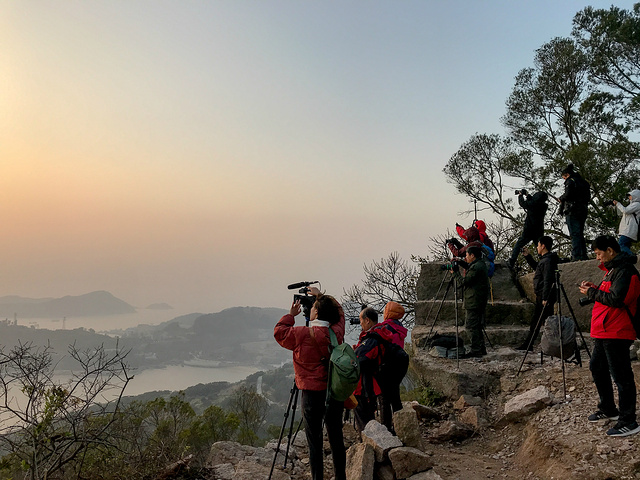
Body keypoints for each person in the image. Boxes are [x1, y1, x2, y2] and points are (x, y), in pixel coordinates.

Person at [273, 288, 346, 480]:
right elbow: (340, 314)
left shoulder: (301, 334)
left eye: (314, 306)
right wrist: (321, 295)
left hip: (311, 395)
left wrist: (291, 315)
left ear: (317, 313)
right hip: (333, 393)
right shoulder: (335, 333)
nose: (311, 308)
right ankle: (341, 477)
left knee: (315, 444)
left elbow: (279, 333)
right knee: (336, 438)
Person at [579, 235, 640, 437]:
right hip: (605, 330)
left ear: (610, 251)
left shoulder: (625, 272)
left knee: (621, 375)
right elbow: (609, 295)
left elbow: (616, 300)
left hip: (618, 331)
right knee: (597, 367)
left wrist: (591, 294)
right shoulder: (613, 271)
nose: (597, 258)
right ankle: (608, 409)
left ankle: (628, 420)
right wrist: (594, 289)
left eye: (598, 253)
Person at [353, 307, 394, 433]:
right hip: (375, 383)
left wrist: (354, 354)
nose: (359, 323)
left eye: (361, 320)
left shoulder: (372, 339)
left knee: (363, 417)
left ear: (367, 320)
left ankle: (366, 444)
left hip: (366, 385)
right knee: (369, 416)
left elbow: (359, 360)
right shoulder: (381, 333)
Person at [517, 236, 559, 351]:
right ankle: (550, 345)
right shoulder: (546, 259)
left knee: (538, 322)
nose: (537, 247)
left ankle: (529, 345)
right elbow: (537, 268)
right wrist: (528, 256)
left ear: (543, 246)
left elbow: (548, 280)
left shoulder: (548, 260)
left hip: (544, 297)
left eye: (538, 245)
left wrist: (545, 297)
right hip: (543, 296)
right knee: (546, 321)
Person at [453, 245, 490, 357]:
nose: (466, 257)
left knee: (470, 326)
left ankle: (476, 350)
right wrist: (460, 262)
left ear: (472, 255)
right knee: (477, 326)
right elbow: (470, 267)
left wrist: (455, 273)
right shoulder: (480, 264)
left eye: (467, 255)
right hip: (478, 300)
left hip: (474, 301)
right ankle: (480, 349)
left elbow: (465, 281)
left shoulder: (477, 267)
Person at [378, 301, 408, 428]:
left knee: (384, 399)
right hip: (399, 365)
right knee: (395, 397)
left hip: (386, 365)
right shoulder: (399, 329)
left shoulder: (384, 328)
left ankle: (387, 429)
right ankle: (401, 427)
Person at [507, 190, 548, 268]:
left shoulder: (533, 204)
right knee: (540, 247)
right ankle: (545, 262)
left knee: (519, 244)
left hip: (529, 229)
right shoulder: (544, 206)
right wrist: (527, 195)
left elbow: (523, 204)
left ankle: (512, 261)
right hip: (538, 230)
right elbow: (534, 201)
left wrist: (520, 195)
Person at [558, 163, 590, 261]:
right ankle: (583, 254)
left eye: (564, 177)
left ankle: (576, 255)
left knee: (575, 234)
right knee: (580, 233)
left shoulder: (570, 181)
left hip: (572, 210)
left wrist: (561, 198)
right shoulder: (584, 182)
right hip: (583, 209)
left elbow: (568, 195)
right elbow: (588, 197)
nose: (564, 180)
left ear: (567, 175)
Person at [613, 190, 640, 257]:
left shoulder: (637, 204)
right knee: (626, 245)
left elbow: (625, 211)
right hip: (628, 228)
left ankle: (632, 257)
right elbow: (621, 213)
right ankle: (628, 259)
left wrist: (618, 204)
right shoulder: (632, 205)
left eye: (630, 195)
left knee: (621, 244)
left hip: (630, 228)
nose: (629, 197)